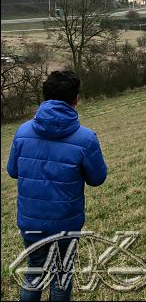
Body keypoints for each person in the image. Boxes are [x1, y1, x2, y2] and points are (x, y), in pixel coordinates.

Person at [7, 70, 108, 300]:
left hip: (30, 220)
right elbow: (97, 178)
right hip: (66, 222)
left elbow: (13, 171)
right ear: (75, 99)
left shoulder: (22, 132)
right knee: (62, 276)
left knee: (34, 272)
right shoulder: (86, 138)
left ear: (45, 97)